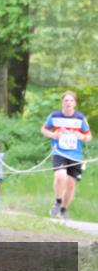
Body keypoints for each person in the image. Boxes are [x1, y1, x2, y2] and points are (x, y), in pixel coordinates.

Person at [42, 90, 92, 220]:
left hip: (75, 155)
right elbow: (44, 129)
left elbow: (89, 136)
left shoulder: (80, 118)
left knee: (70, 184)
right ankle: (58, 202)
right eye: (66, 100)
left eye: (71, 100)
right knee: (60, 176)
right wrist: (53, 135)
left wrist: (81, 136)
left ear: (75, 103)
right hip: (59, 152)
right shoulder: (54, 116)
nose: (68, 103)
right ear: (62, 103)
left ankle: (63, 210)